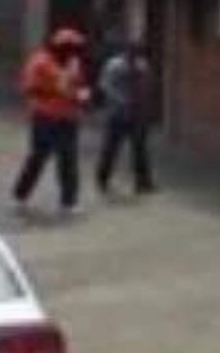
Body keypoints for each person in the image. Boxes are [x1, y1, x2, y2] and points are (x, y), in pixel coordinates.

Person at [11, 28, 91, 215]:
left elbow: (80, 84)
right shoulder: (40, 62)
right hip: (45, 117)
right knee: (38, 157)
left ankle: (68, 202)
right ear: (58, 47)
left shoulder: (73, 63)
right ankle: (21, 195)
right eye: (69, 47)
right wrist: (56, 91)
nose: (73, 51)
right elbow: (29, 89)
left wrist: (82, 96)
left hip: (68, 118)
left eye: (75, 48)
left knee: (68, 158)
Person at [96, 41, 157, 197]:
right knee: (111, 148)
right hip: (117, 114)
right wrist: (121, 100)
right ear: (126, 52)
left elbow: (147, 86)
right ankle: (102, 179)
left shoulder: (142, 65)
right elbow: (105, 85)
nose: (134, 57)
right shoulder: (114, 65)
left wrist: (145, 106)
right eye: (132, 53)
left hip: (136, 114)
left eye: (137, 53)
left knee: (140, 149)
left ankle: (143, 182)